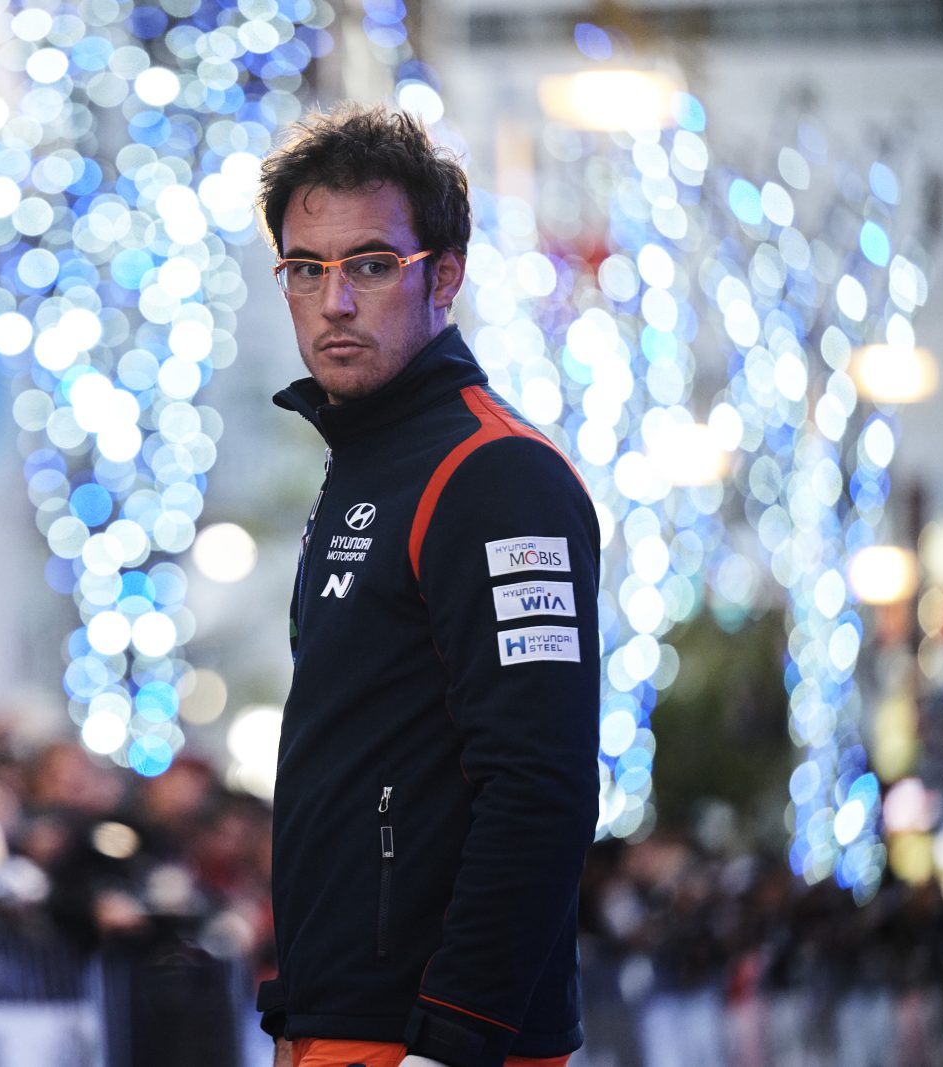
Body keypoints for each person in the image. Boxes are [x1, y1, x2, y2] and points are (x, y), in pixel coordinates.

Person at [253, 105, 601, 1067]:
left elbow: (542, 782)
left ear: (443, 276)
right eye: (304, 268)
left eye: (370, 265)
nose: (334, 301)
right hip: (340, 1019)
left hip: (427, 1036)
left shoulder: (495, 473)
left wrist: (453, 1037)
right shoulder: (368, 461)